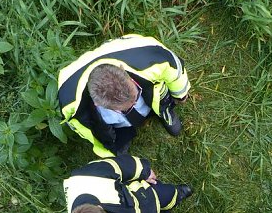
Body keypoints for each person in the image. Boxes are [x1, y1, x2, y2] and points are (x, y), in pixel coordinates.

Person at [58, 34, 191, 157]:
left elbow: (176, 71)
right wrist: (108, 149)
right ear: (96, 103)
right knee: (113, 140)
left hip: (152, 93)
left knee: (160, 98)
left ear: (122, 69)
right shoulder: (70, 103)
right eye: (123, 109)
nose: (133, 105)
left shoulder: (150, 56)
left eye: (135, 96)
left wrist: (180, 94)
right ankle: (121, 137)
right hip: (111, 121)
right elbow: (87, 131)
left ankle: (164, 112)